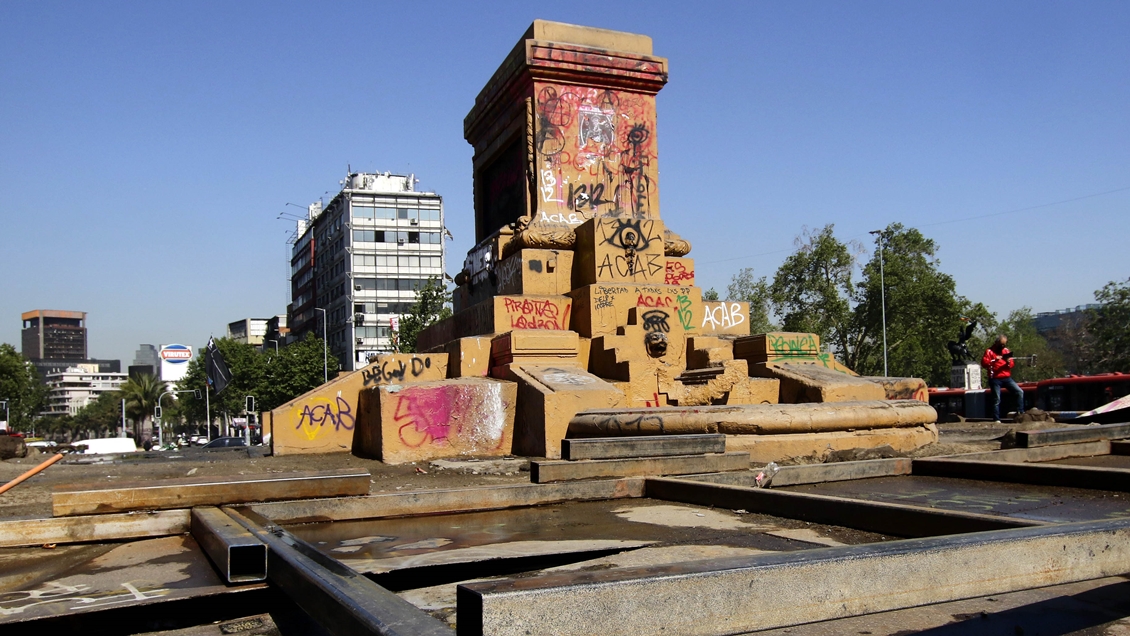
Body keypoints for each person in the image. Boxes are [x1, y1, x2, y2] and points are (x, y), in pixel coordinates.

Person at [981, 334, 1025, 421]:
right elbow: (984, 363)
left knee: (1019, 392)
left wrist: (1008, 362)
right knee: (997, 399)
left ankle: (1020, 412)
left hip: (1006, 377)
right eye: (1001, 344)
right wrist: (994, 361)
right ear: (996, 343)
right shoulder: (989, 351)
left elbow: (1012, 364)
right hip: (995, 378)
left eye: (1004, 344)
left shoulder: (1006, 350)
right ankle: (996, 418)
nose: (1002, 346)